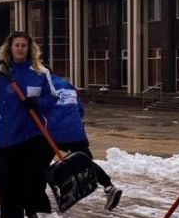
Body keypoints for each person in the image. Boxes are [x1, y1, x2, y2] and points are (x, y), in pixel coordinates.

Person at [0, 31, 56, 218]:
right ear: (10, 48)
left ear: (30, 49)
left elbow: (52, 99)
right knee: (10, 180)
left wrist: (36, 103)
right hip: (7, 135)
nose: (20, 49)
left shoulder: (40, 72)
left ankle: (32, 216)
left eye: (24, 46)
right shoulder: (1, 73)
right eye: (16, 45)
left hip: (32, 134)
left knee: (32, 179)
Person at [43, 72, 122, 211]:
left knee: (39, 165)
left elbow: (40, 109)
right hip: (76, 131)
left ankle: (38, 201)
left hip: (53, 132)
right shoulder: (67, 85)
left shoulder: (43, 86)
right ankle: (109, 187)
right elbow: (80, 110)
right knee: (85, 162)